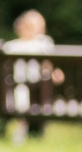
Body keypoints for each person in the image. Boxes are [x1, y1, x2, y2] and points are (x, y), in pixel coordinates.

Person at [4, 9, 61, 139]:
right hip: (30, 87)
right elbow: (47, 65)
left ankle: (23, 129)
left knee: (23, 92)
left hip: (26, 87)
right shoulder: (42, 44)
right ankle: (24, 129)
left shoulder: (11, 46)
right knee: (25, 92)